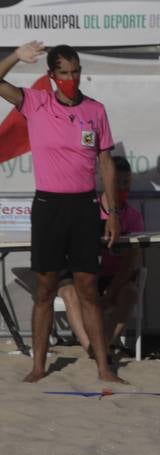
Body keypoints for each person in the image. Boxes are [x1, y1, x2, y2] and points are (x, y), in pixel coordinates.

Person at [0, 41, 121, 383]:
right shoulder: (36, 103)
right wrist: (13, 57)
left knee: (88, 289)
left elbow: (106, 162)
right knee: (45, 289)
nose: (71, 78)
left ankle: (103, 367)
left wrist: (112, 211)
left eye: (76, 71)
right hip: (49, 206)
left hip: (84, 206)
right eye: (64, 73)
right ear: (51, 75)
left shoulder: (95, 110)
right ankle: (39, 366)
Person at [57, 155, 142, 358]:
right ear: (105, 180)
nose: (122, 187)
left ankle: (105, 342)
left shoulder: (133, 216)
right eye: (117, 182)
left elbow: (130, 261)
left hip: (113, 276)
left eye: (126, 182)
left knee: (129, 293)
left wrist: (111, 293)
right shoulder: (88, 209)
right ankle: (91, 347)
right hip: (85, 273)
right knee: (69, 291)